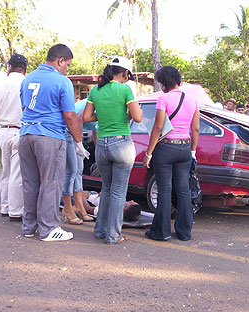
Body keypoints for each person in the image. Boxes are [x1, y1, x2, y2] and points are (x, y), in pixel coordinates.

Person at [19, 44, 89, 242]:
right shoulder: (62, 81)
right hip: (49, 137)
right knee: (51, 182)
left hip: (26, 135)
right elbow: (69, 115)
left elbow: (25, 108)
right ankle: (49, 228)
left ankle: (29, 226)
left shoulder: (28, 79)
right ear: (60, 61)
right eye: (67, 64)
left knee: (31, 183)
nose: (67, 68)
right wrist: (78, 141)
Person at [83, 56, 143, 244]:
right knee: (118, 192)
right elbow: (138, 117)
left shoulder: (96, 90)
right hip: (121, 144)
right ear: (125, 74)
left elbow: (86, 116)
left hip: (102, 144)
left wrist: (103, 113)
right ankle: (113, 235)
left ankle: (100, 230)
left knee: (106, 189)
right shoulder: (125, 89)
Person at [143, 66, 200, 241]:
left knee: (165, 190)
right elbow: (196, 128)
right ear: (178, 81)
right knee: (183, 191)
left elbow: (158, 127)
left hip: (166, 148)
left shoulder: (163, 99)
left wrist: (149, 153)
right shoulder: (192, 100)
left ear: (163, 84)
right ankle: (184, 232)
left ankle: (161, 232)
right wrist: (193, 151)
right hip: (184, 148)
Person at [0, 54, 28, 222]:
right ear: (25, 69)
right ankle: (16, 211)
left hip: (3, 130)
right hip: (20, 130)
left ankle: (5, 207)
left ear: (9, 67)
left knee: (6, 172)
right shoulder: (26, 83)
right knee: (17, 174)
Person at [61, 99, 95, 225]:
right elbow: (78, 119)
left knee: (79, 171)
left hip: (74, 134)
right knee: (71, 171)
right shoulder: (98, 100)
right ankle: (68, 207)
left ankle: (79, 207)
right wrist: (78, 143)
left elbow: (96, 131)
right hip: (67, 131)